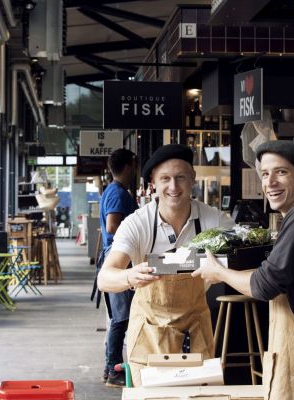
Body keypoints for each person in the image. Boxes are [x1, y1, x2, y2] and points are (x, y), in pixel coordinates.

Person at [192, 140, 294, 400]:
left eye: (281, 172)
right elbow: (268, 277)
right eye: (265, 174)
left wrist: (219, 272)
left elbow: (264, 285)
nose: (270, 182)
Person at [97, 144, 235, 386]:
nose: (173, 187)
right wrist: (130, 275)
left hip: (195, 330)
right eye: (165, 178)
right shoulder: (137, 224)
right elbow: (105, 278)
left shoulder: (214, 220)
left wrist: (223, 271)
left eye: (181, 177)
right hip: (149, 332)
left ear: (192, 179)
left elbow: (239, 260)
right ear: (153, 182)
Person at [98, 149, 138, 387]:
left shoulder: (114, 190)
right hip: (117, 259)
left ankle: (109, 368)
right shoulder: (118, 193)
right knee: (121, 319)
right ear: (128, 166)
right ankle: (113, 371)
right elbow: (113, 226)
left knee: (120, 318)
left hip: (115, 258)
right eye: (134, 165)